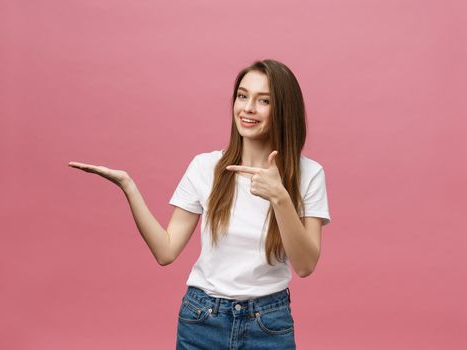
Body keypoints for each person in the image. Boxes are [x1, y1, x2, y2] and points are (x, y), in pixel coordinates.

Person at [68, 59, 331, 349]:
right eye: (242, 96)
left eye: (263, 100)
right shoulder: (205, 167)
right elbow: (165, 251)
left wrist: (280, 197)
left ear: (283, 110)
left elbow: (305, 265)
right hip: (203, 318)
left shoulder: (309, 174)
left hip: (267, 322)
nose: (248, 108)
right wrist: (128, 186)